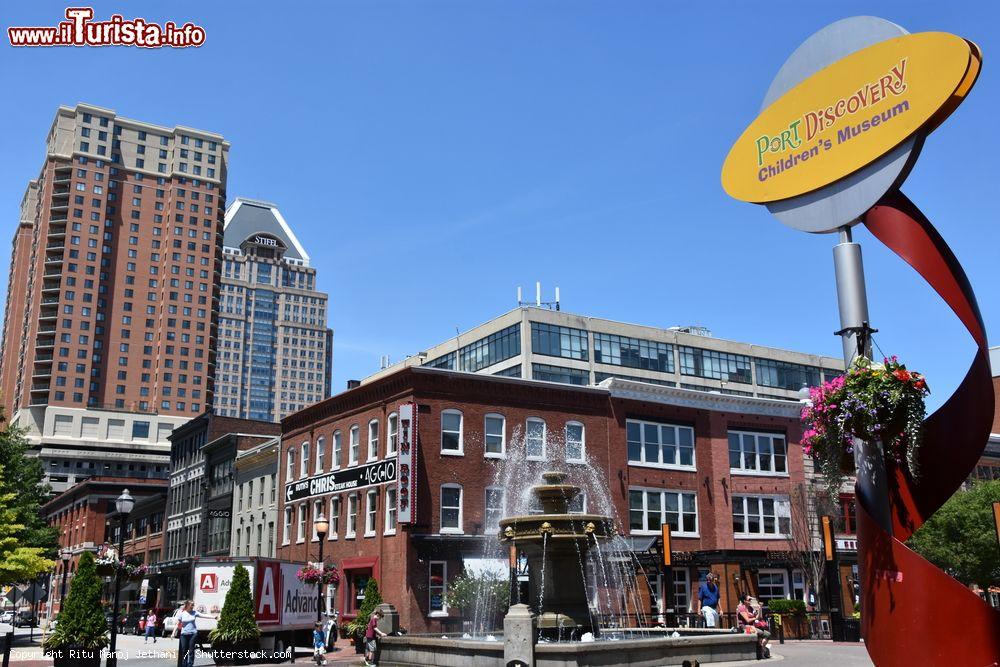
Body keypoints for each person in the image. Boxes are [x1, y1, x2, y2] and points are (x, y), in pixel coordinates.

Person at [172, 600, 216, 667]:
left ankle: (190, 664)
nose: (193, 606)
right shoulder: (182, 614)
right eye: (191, 605)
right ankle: (184, 664)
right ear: (187, 605)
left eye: (193, 605)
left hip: (193, 634)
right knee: (184, 651)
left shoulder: (194, 613)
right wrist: (173, 633)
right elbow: (177, 624)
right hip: (184, 635)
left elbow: (204, 615)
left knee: (191, 650)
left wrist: (214, 617)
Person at [736, 594, 771, 659]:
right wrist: (755, 618)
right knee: (760, 632)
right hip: (744, 627)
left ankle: (762, 648)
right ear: (744, 601)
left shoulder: (750, 608)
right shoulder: (741, 608)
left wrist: (760, 608)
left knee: (768, 634)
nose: (750, 601)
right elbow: (748, 620)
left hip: (752, 627)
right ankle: (761, 652)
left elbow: (759, 617)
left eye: (750, 599)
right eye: (749, 600)